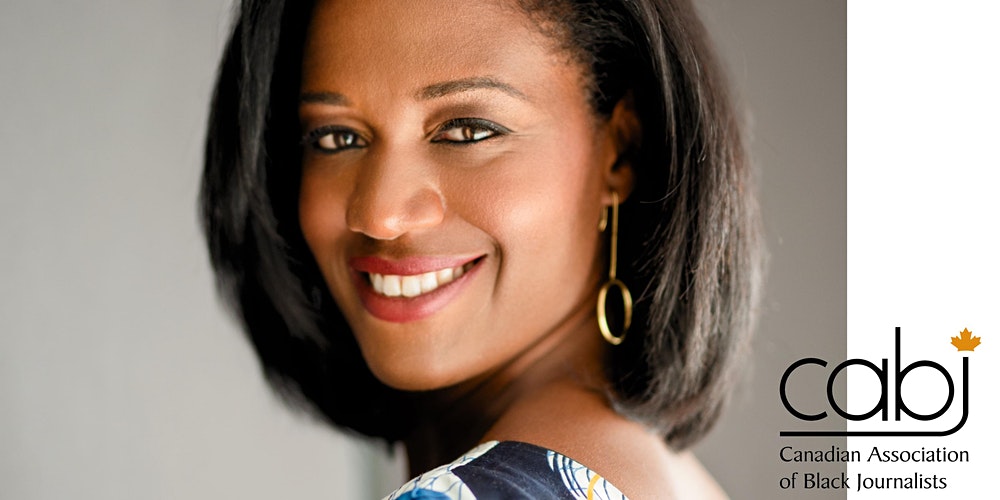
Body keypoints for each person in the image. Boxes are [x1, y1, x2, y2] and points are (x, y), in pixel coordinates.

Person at [201, 0, 762, 498]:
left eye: (467, 130)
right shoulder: (666, 475)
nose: (380, 213)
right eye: (336, 137)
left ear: (621, 151)